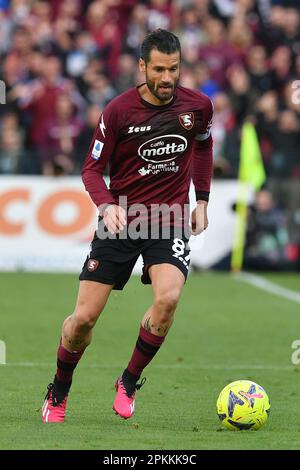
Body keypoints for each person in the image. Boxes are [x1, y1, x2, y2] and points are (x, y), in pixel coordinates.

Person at [41, 29, 213, 423]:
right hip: (122, 221)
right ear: (142, 67)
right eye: (158, 69)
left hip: (169, 219)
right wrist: (105, 206)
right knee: (83, 320)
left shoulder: (199, 106)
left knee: (168, 299)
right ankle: (59, 389)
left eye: (173, 69)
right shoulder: (118, 111)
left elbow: (203, 145)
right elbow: (91, 169)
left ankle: (130, 380)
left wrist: (201, 199)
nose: (167, 78)